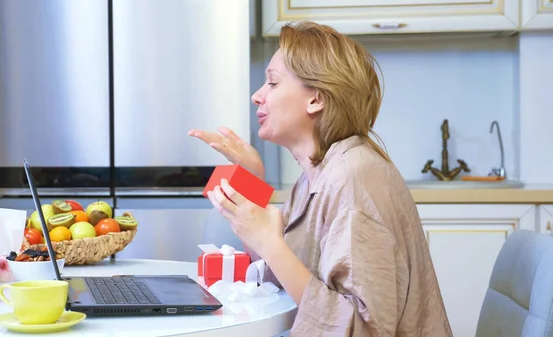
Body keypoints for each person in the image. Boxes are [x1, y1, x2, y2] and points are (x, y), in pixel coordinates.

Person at [189, 21, 453, 337]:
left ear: (316, 99)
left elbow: (363, 330)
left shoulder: (356, 179)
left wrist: (270, 243)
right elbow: (282, 275)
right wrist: (251, 183)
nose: (257, 96)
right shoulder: (316, 174)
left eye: (272, 83)